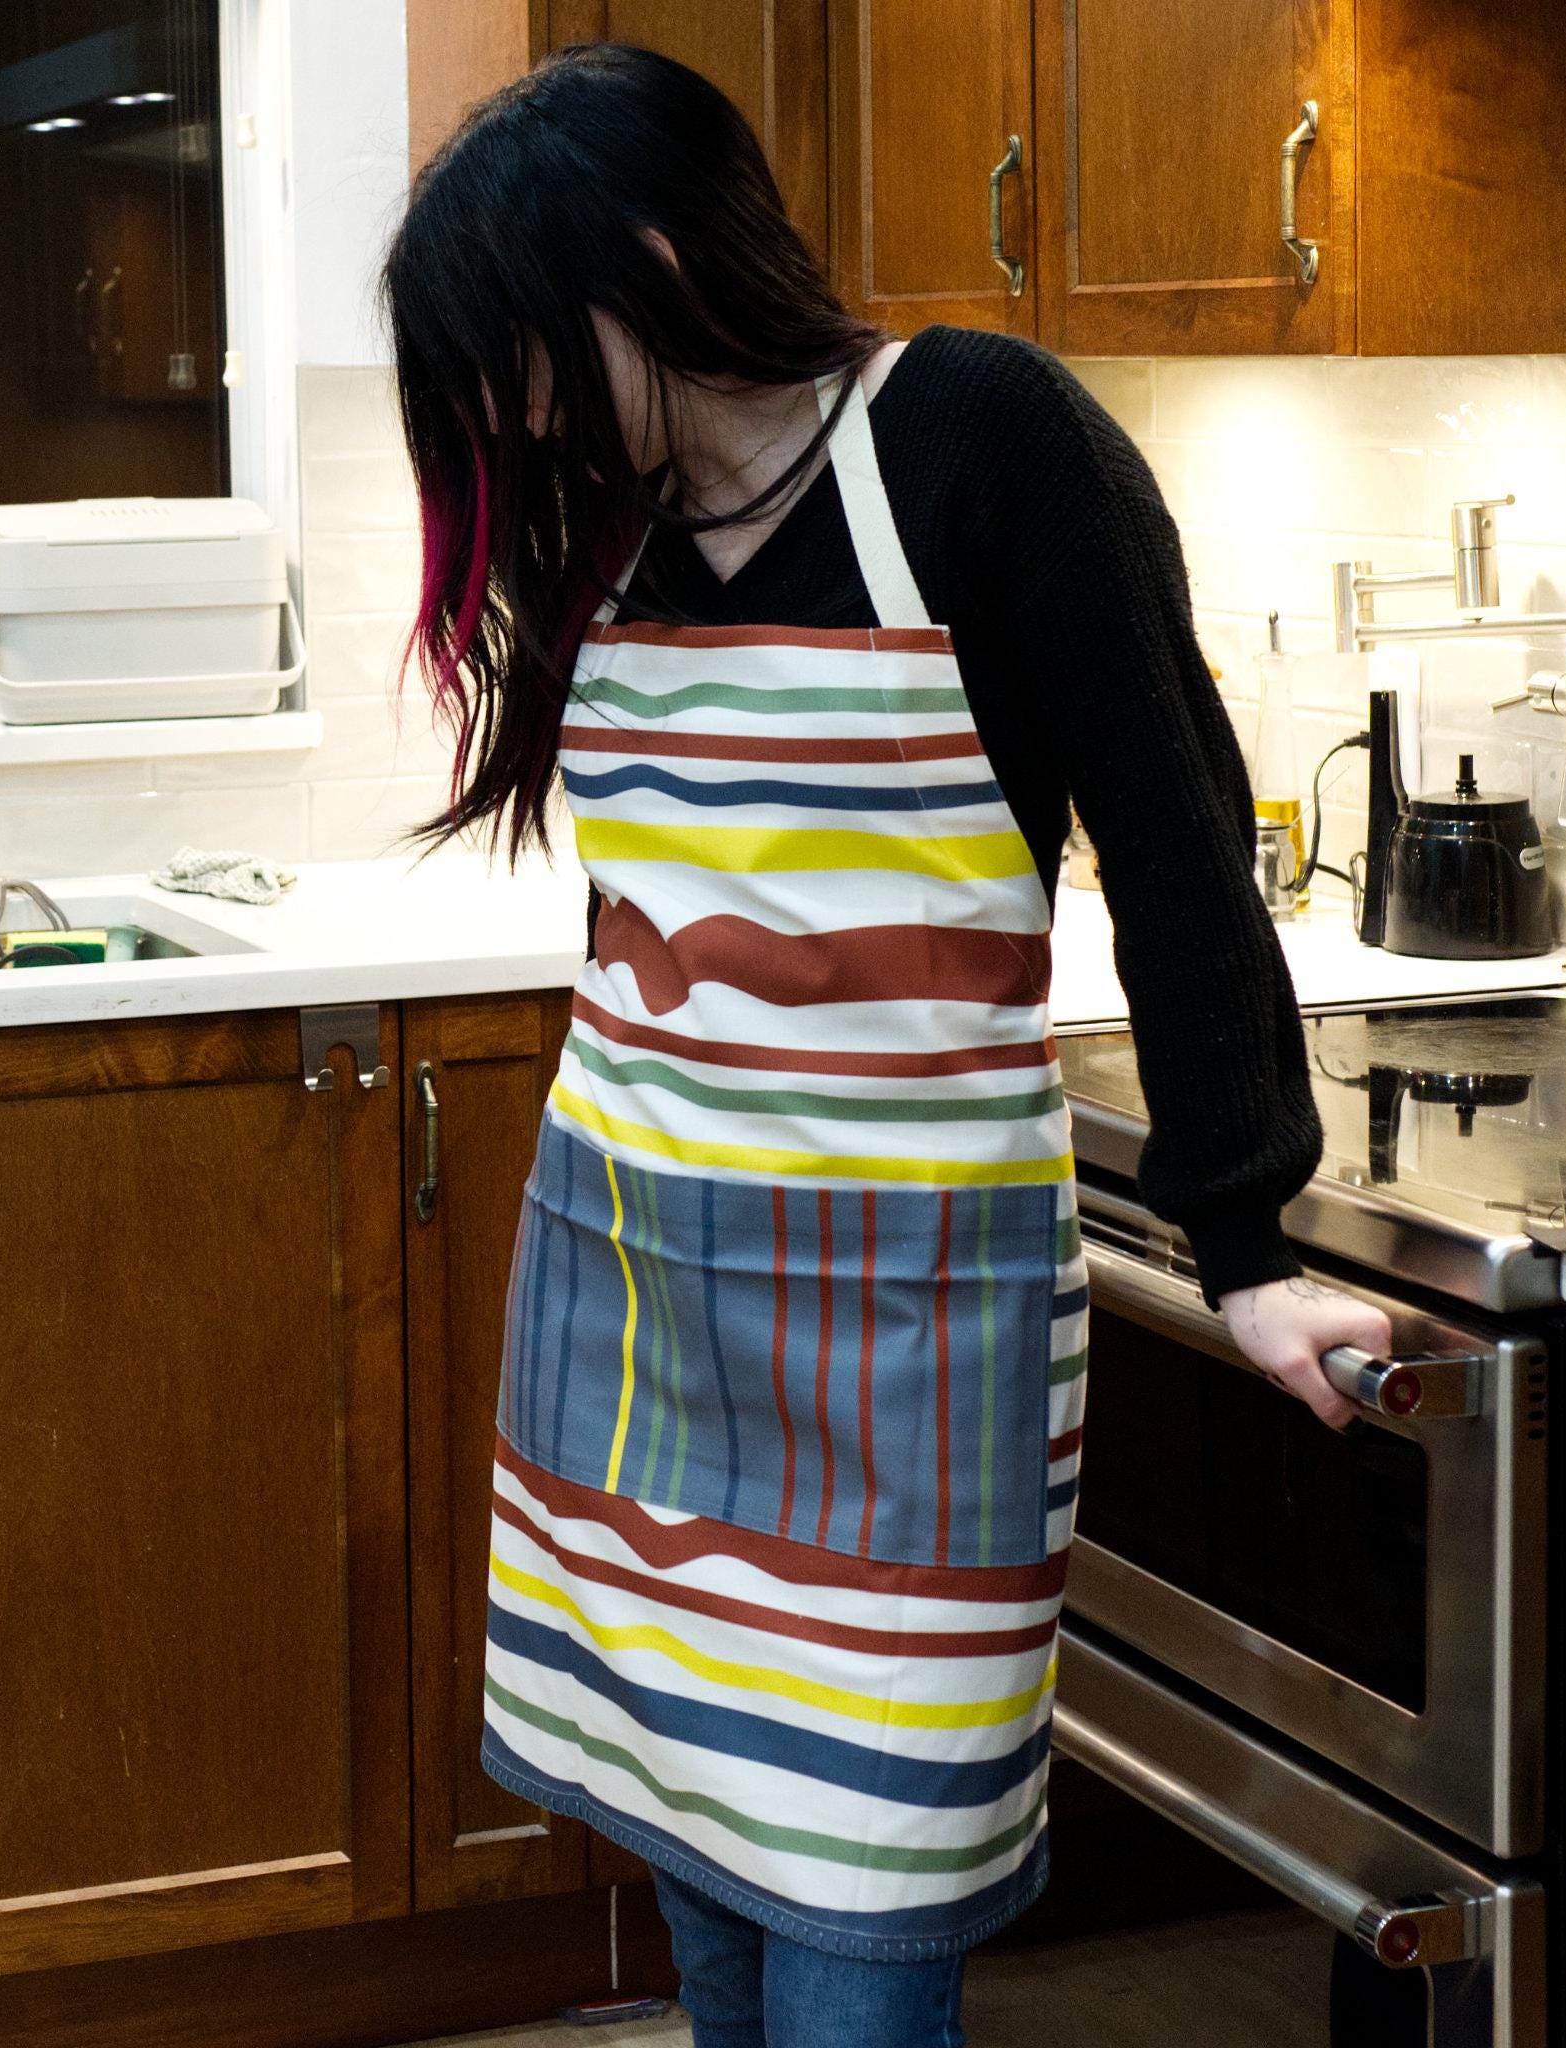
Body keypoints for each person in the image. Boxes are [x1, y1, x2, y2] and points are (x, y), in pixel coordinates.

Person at [384, 42, 1390, 2048]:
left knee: (863, 1924)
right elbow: (652, 905)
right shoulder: (609, 515)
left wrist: (1246, 1234)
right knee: (721, 1926)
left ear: (653, 260)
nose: (500, 411)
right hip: (638, 1312)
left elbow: (1183, 844)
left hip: (907, 1341)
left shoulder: (979, 439)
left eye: (513, 350)